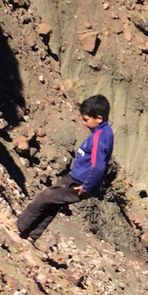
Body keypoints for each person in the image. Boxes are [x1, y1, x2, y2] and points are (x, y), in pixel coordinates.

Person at [16, 94, 114, 242]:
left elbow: (98, 166)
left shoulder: (100, 136)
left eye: (86, 119)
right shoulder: (104, 133)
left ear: (99, 118)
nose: (84, 123)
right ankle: (31, 236)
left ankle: (18, 226)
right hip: (79, 179)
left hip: (79, 182)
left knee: (45, 198)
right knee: (52, 205)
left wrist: (87, 186)